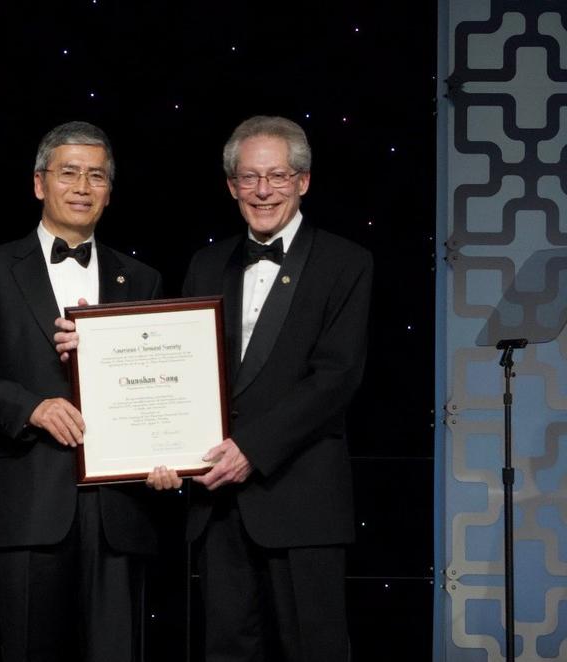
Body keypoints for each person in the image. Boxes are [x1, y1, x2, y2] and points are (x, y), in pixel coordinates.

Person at [150, 116, 373, 661]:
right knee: (226, 649)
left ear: (303, 181)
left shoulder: (347, 263)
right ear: (231, 186)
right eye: (249, 178)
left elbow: (336, 376)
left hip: (302, 498)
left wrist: (252, 449)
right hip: (217, 500)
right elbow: (179, 368)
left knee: (315, 649)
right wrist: (163, 446)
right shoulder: (205, 265)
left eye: (277, 175)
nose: (263, 190)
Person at [0, 121, 162, 662]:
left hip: (119, 509)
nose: (83, 187)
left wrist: (167, 451)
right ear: (40, 183)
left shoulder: (144, 279)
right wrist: (31, 407)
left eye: (96, 176)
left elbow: (160, 380)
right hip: (28, 501)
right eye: (69, 173)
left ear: (110, 190)